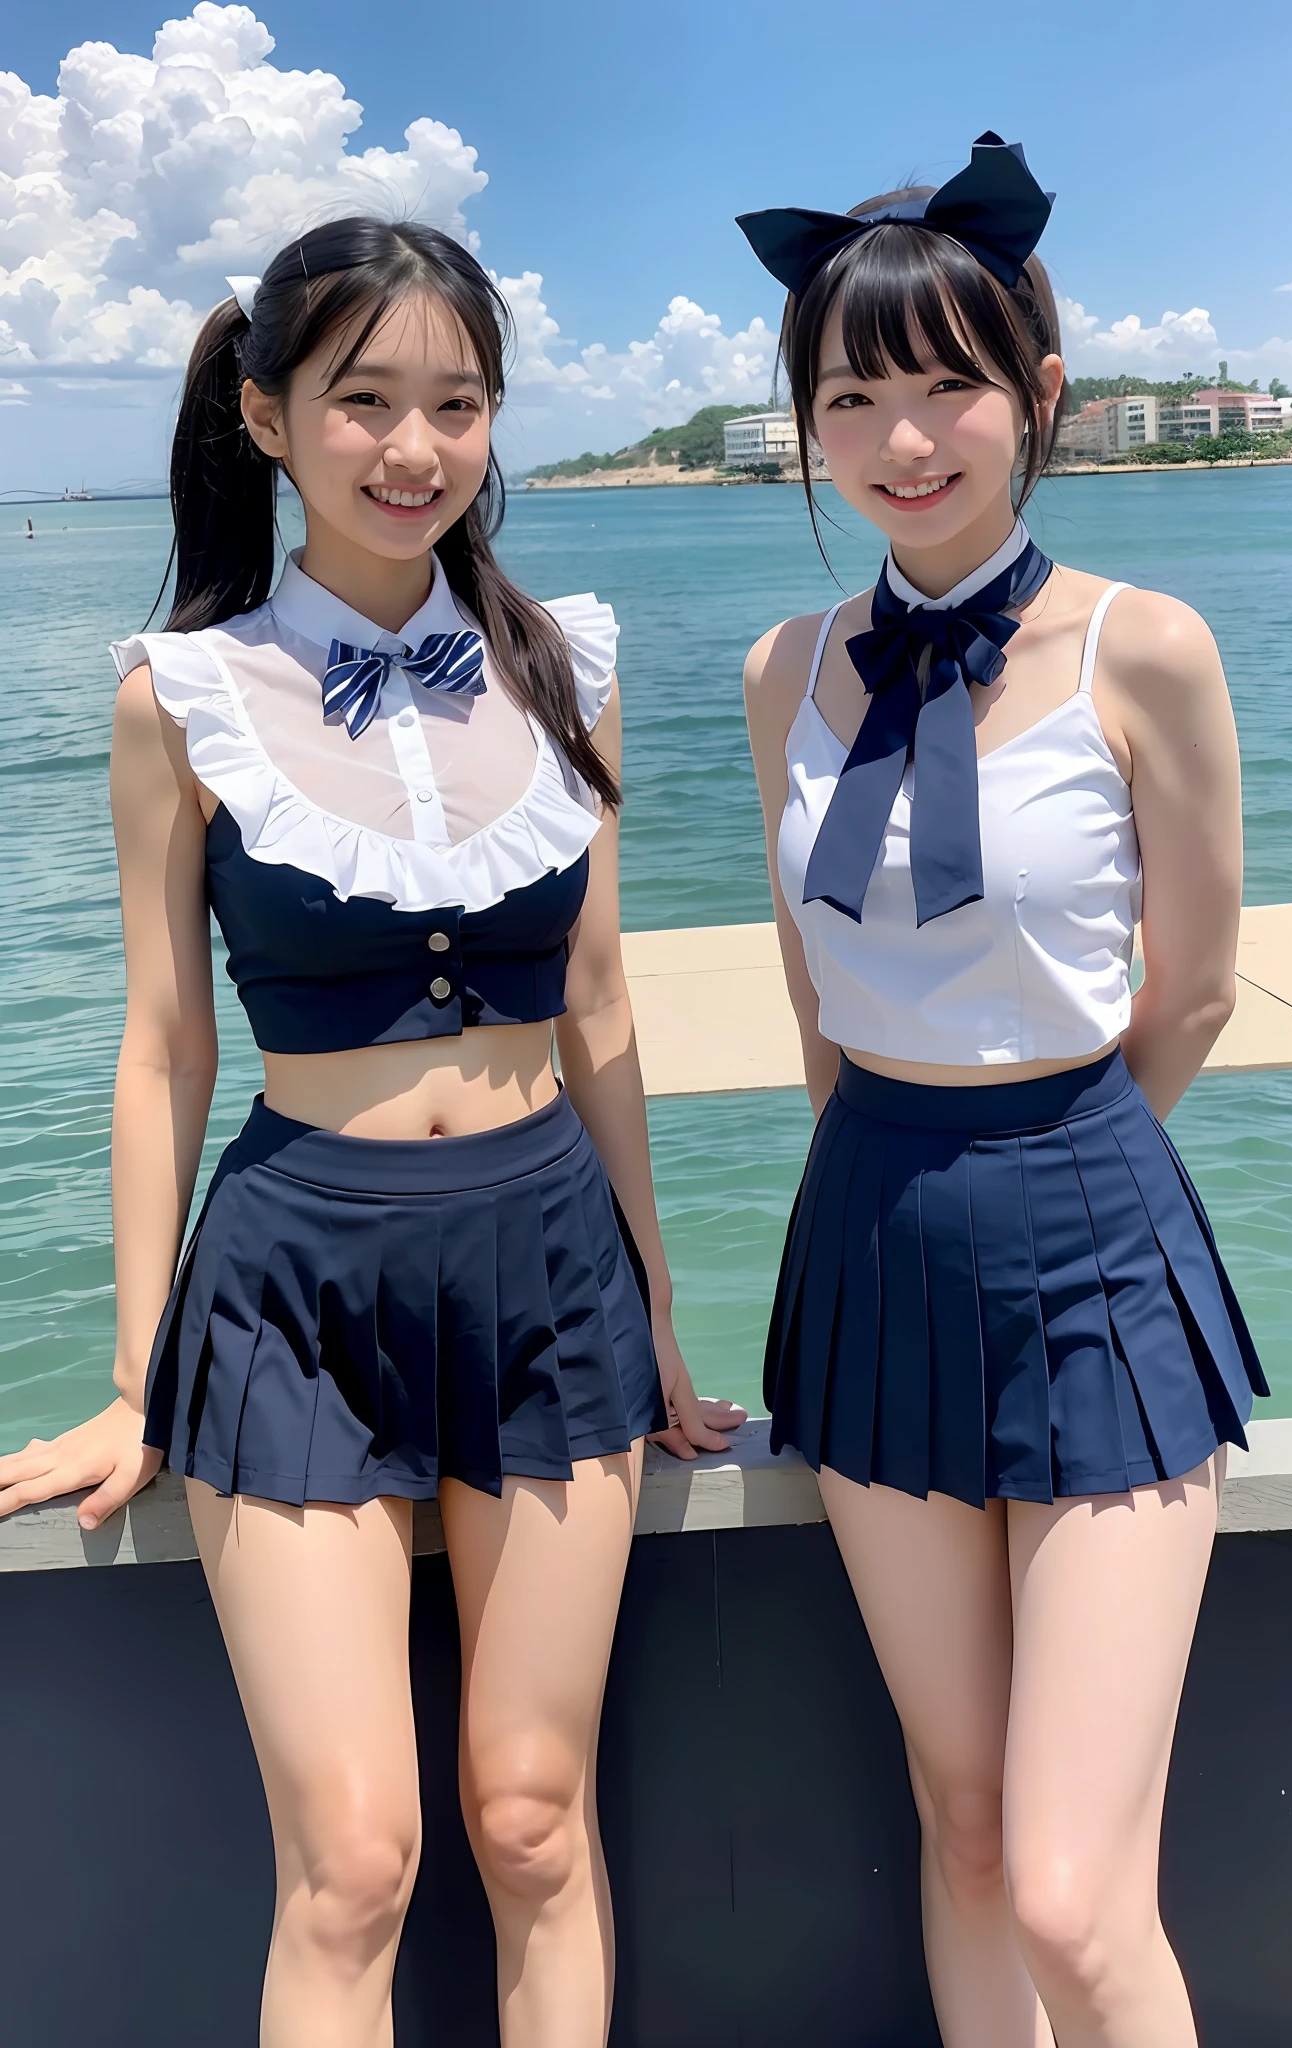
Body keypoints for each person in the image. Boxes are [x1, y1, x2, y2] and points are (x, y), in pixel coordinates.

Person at [0, 215, 742, 2048]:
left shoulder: (569, 664)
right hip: (291, 1285)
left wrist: (654, 1306)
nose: (415, 448)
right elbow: (163, 1050)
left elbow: (601, 1012)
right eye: (364, 401)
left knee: (531, 1824)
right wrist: (133, 1364)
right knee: (352, 1860)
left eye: (459, 402)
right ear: (265, 416)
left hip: (552, 1266)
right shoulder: (181, 697)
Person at [738, 135, 1265, 2048]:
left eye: (945, 380)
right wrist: (877, 1185)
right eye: (849, 396)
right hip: (869, 1234)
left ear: (1035, 391)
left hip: (1091, 1236)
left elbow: (1196, 989)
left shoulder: (1147, 649)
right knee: (961, 1832)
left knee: (1071, 1888)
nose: (902, 437)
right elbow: (818, 981)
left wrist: (1058, 1171)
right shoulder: (783, 667)